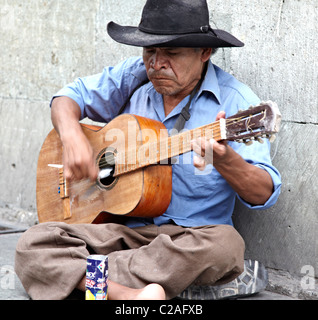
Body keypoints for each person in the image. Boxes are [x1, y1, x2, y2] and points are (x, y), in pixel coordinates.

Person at [15, 0, 281, 300]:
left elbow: (263, 192)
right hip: (124, 234)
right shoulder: (136, 75)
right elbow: (68, 97)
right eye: (149, 51)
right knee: (33, 243)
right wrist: (73, 136)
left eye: (171, 53)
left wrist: (226, 160)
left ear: (204, 53)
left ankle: (83, 279)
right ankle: (134, 294)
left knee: (226, 247)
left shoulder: (236, 104)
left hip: (189, 239)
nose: (156, 64)